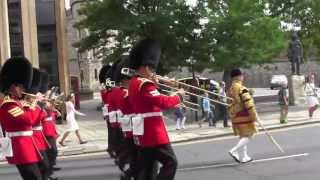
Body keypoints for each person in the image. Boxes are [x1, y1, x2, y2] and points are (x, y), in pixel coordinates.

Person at [124, 38, 185, 180]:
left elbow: (150, 101)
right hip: (153, 133)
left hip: (145, 131)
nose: (153, 72)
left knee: (147, 166)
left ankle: (127, 175)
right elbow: (163, 102)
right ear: (146, 67)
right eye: (152, 69)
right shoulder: (144, 84)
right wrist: (179, 96)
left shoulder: (134, 82)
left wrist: (155, 84)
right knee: (171, 163)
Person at [0, 57, 42, 180]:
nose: (24, 90)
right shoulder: (9, 105)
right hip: (21, 148)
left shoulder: (17, 102)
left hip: (27, 146)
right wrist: (35, 104)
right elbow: (28, 121)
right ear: (13, 86)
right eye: (21, 87)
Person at [227, 69, 258, 163]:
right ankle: (234, 150)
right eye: (242, 75)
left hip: (235, 116)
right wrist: (254, 115)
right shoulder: (241, 88)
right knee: (250, 135)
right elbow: (249, 103)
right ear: (239, 76)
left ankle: (245, 156)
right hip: (244, 115)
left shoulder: (230, 89)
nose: (243, 77)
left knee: (243, 136)